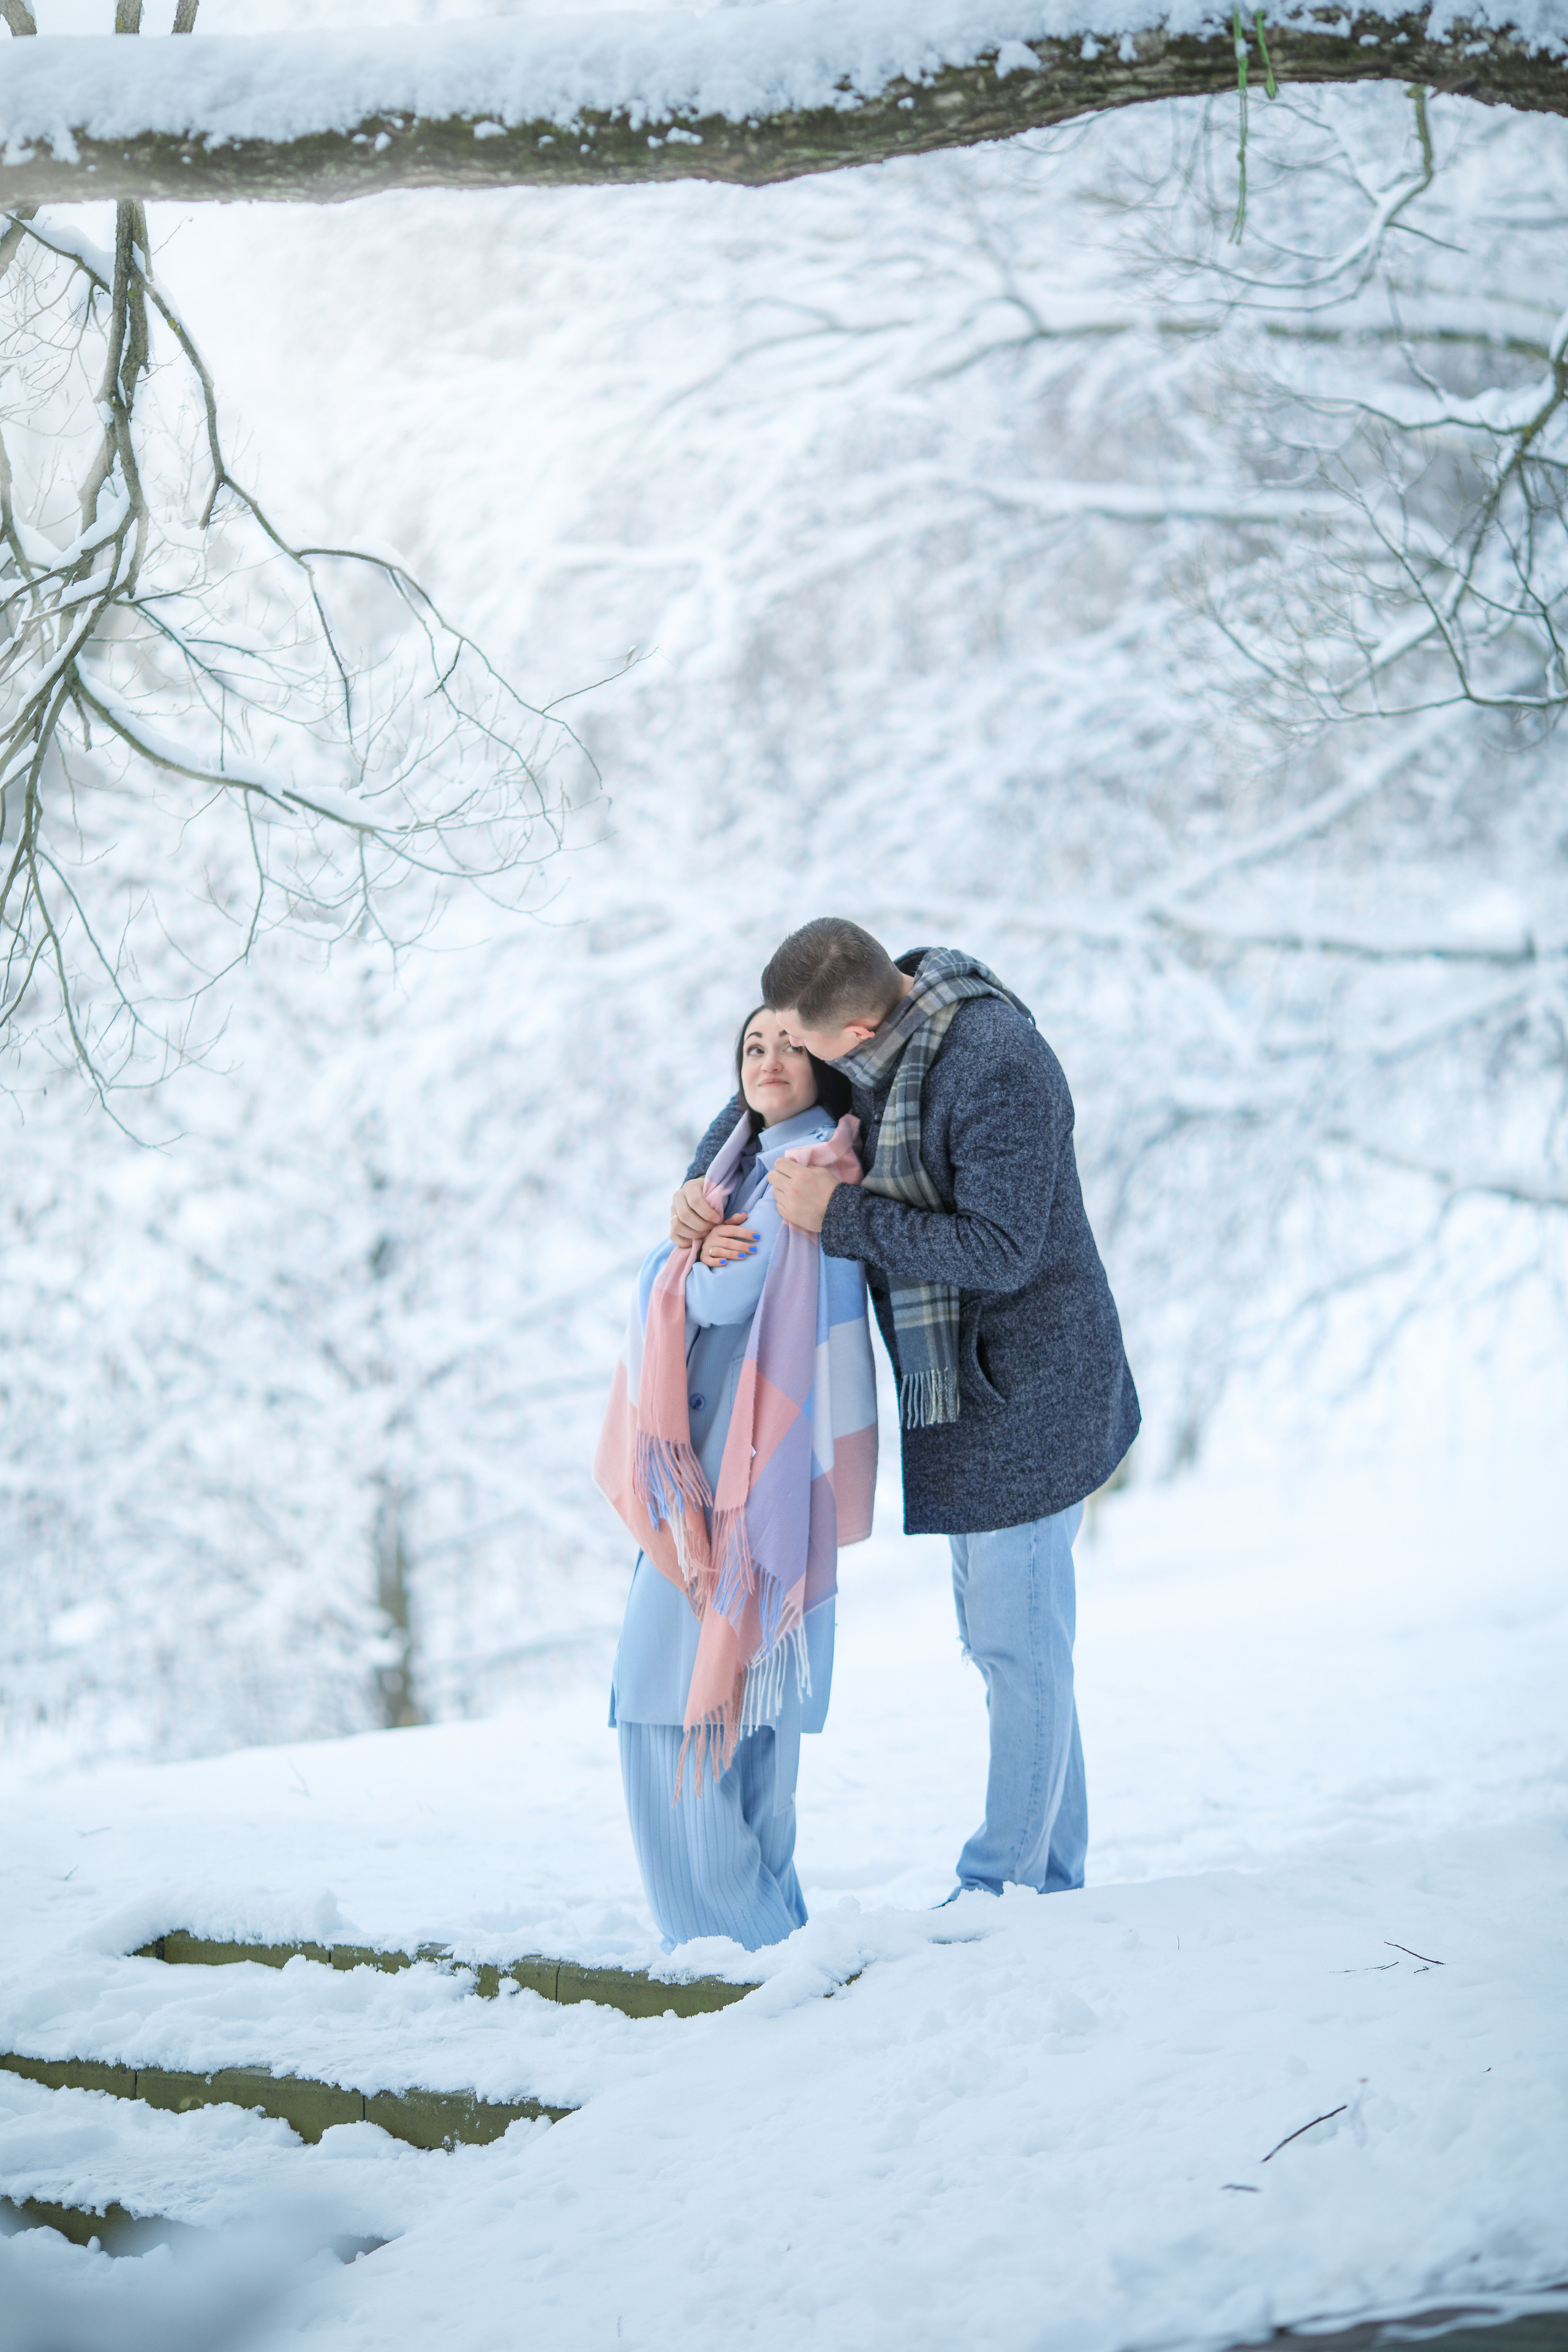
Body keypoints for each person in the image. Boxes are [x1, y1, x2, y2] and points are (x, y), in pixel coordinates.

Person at [671, 920, 1139, 1903]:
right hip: (965, 1395)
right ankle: (1051, 1875)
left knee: (1016, 1643)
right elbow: (756, 1105)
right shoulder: (882, 1028)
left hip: (1033, 1386)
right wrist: (700, 1177)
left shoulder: (996, 1067)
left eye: (805, 1045)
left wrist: (834, 1219)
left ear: (855, 1027)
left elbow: (1004, 1249)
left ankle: (1000, 1888)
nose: (792, 1059)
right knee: (1016, 1640)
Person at [595, 1006, 878, 1950]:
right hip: (764, 1486)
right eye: (754, 1046)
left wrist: (668, 1260)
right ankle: (778, 1937)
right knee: (750, 1727)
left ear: (830, 1063)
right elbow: (704, 1274)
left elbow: (716, 1292)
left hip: (735, 1485)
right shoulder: (761, 1168)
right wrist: (687, 1237)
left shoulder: (799, 1171)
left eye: (792, 1044)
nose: (769, 1059)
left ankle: (733, 1948)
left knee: (667, 1712)